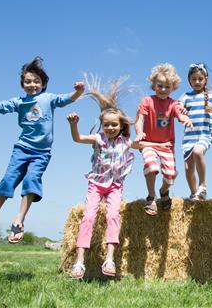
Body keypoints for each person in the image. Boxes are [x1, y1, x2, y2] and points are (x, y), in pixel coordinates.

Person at [0, 57, 84, 243]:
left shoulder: (49, 99)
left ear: (43, 83)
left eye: (36, 81)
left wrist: (79, 91)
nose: (32, 84)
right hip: (22, 149)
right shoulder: (19, 102)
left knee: (31, 181)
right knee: (8, 179)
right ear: (22, 84)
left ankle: (19, 220)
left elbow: (67, 99)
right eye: (28, 81)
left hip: (42, 153)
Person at [67, 76, 172, 279]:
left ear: (121, 125)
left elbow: (146, 145)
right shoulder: (98, 139)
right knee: (88, 217)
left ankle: (110, 259)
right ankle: (79, 262)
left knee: (113, 216)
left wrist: (163, 146)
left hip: (115, 186)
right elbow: (77, 138)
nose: (110, 128)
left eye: (114, 125)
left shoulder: (126, 141)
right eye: (106, 125)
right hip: (96, 184)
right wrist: (74, 124)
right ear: (102, 125)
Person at [135, 63, 193, 215]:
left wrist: (185, 118)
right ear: (153, 85)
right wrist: (140, 132)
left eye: (167, 87)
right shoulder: (147, 101)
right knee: (152, 166)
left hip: (166, 145)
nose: (163, 89)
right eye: (159, 86)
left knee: (171, 175)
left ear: (173, 88)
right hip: (148, 144)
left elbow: (180, 114)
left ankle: (163, 191)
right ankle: (151, 196)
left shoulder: (173, 104)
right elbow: (140, 119)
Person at [178, 63, 212, 201]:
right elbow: (177, 108)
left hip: (205, 133)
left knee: (198, 151)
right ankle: (194, 193)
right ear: (189, 80)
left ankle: (203, 185)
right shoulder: (185, 97)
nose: (197, 82)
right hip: (189, 136)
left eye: (200, 79)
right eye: (194, 79)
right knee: (188, 169)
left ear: (205, 79)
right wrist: (181, 111)